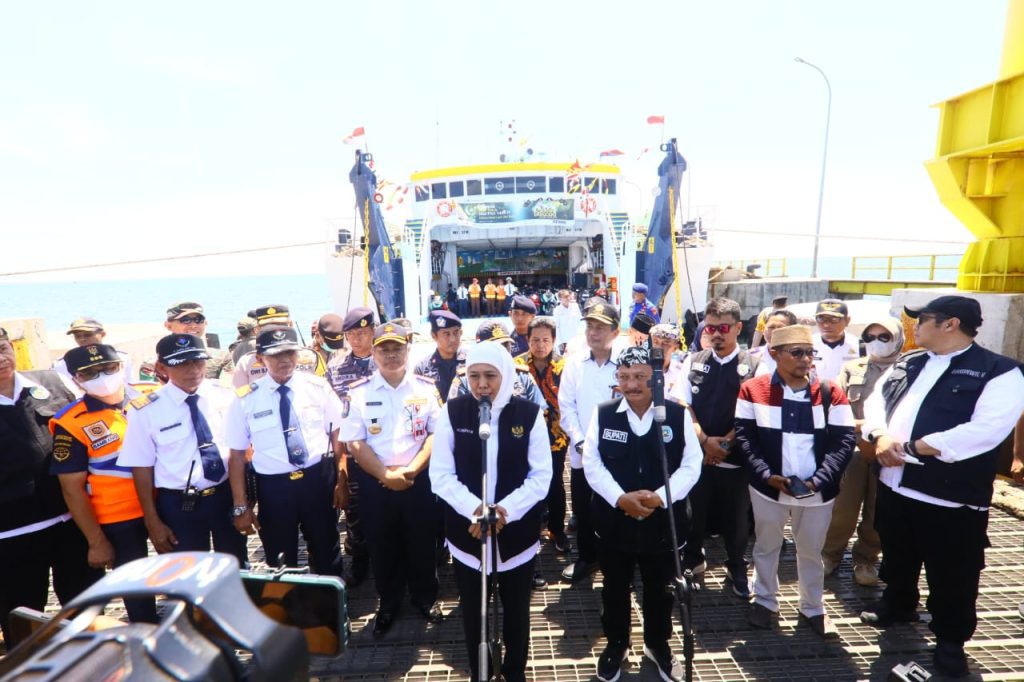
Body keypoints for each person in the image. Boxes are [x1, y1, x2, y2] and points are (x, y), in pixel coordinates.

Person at [859, 295, 1024, 678]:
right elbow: (876, 402)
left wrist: (913, 448)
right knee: (897, 553)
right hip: (895, 484)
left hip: (949, 497)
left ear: (950, 324)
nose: (915, 326)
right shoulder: (910, 361)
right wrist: (880, 435)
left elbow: (984, 431)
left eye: (923, 319)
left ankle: (950, 640)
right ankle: (898, 603)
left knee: (953, 572)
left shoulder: (1000, 372)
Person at [430, 342, 552, 682]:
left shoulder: (529, 414)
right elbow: (440, 474)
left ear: (506, 374)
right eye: (474, 376)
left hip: (516, 533)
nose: (482, 384)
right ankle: (479, 671)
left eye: (490, 376)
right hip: (468, 532)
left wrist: (504, 511)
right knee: (474, 612)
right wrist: (475, 509)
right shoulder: (453, 411)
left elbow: (541, 476)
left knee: (517, 611)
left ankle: (514, 672)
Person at [585, 346, 702, 682]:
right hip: (614, 522)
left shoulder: (676, 414)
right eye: (624, 377)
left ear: (656, 379)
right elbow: (592, 462)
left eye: (640, 377)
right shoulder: (603, 413)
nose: (631, 384)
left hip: (663, 523)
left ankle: (657, 644)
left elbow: (692, 465)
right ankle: (616, 644)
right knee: (614, 588)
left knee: (660, 589)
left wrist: (660, 498)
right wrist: (619, 498)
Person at [735, 324, 856, 639]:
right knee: (766, 545)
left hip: (818, 492)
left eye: (809, 352)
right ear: (774, 354)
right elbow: (746, 440)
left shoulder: (830, 392)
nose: (806, 359)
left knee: (811, 549)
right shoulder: (752, 389)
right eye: (797, 352)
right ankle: (765, 600)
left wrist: (818, 481)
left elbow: (844, 442)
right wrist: (766, 476)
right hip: (768, 489)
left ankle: (812, 607)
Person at [340, 322, 445, 637]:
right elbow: (355, 442)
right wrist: (386, 475)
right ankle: (388, 604)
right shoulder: (358, 392)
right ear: (373, 354)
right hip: (376, 482)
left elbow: (436, 435)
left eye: (397, 348)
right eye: (383, 349)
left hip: (418, 480)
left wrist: (411, 471)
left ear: (407, 350)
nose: (390, 355)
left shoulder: (425, 389)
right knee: (382, 545)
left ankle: (425, 598)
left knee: (422, 542)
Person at [0, 328, 103, 645]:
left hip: (71, 521)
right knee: (23, 624)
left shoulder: (51, 383)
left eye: (2, 348)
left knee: (88, 612)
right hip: (12, 533)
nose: (1, 359)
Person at [48, 344, 158, 623]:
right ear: (76, 379)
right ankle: (145, 636)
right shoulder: (70, 422)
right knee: (136, 590)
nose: (102, 376)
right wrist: (96, 541)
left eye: (108, 368)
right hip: (119, 518)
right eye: (90, 373)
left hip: (166, 503)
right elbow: (71, 488)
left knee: (183, 573)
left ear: (120, 367)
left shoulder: (152, 395)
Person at [117, 334, 247, 564]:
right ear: (162, 368)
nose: (193, 370)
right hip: (179, 504)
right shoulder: (145, 410)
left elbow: (238, 451)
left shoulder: (224, 396)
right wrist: (152, 521)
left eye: (198, 362)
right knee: (186, 572)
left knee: (235, 565)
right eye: (182, 364)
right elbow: (141, 468)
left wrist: (242, 503)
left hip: (224, 495)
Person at [225, 327, 344, 577]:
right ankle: (288, 603)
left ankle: (330, 601)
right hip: (273, 487)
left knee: (327, 550)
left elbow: (337, 435)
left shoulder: (317, 387)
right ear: (260, 358)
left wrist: (342, 481)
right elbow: (236, 455)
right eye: (275, 354)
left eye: (290, 352)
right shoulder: (245, 399)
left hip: (317, 480)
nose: (284, 360)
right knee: (279, 558)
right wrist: (241, 505)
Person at [669, 297, 759, 597]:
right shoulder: (693, 361)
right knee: (694, 513)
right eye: (710, 328)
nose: (716, 334)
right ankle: (694, 559)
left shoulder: (754, 365)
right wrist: (704, 441)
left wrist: (725, 443)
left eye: (723, 328)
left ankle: (736, 566)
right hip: (698, 454)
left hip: (735, 457)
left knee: (736, 518)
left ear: (738, 328)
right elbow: (683, 403)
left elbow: (754, 412)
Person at [821, 315, 904, 586]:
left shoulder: (909, 370)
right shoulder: (851, 368)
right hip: (854, 449)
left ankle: (866, 559)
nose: (876, 342)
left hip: (891, 451)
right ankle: (829, 554)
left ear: (898, 338)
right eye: (870, 337)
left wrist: (882, 439)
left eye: (884, 337)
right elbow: (837, 409)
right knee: (841, 509)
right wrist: (863, 434)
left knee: (878, 511)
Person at [558, 301, 621, 582]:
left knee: (616, 507)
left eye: (600, 328)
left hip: (618, 452)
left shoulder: (626, 363)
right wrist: (581, 440)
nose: (593, 333)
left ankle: (616, 561)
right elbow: (566, 407)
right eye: (590, 327)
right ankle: (587, 557)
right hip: (583, 452)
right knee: (583, 508)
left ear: (615, 332)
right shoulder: (574, 364)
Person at [326, 306, 377, 587]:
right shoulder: (335, 368)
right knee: (355, 512)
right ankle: (359, 560)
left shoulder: (386, 360)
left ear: (373, 331)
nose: (357, 338)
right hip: (351, 450)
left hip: (383, 449)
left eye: (362, 332)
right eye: (351, 333)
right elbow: (333, 416)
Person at [515, 316, 570, 553]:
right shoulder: (516, 365)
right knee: (526, 481)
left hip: (556, 436)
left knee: (555, 481)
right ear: (527, 340)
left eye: (545, 340)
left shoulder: (565, 367)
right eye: (535, 340)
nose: (540, 345)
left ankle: (557, 530)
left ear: (554, 340)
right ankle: (530, 530)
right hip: (523, 437)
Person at [448, 321, 547, 410]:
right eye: (496, 348)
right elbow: (454, 414)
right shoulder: (464, 380)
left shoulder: (523, 377)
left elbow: (538, 413)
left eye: (506, 346)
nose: (503, 351)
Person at [55, 317, 136, 384]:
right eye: (78, 336)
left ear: (102, 334)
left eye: (88, 335)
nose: (82, 339)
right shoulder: (63, 364)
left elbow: (130, 385)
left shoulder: (121, 357)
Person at [165, 302, 233, 380]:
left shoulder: (222, 358)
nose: (194, 325)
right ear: (168, 326)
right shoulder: (160, 360)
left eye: (198, 320)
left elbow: (230, 385)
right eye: (185, 320)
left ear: (205, 323)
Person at [415, 310, 466, 402]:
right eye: (446, 334)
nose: (452, 339)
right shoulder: (423, 368)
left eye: (456, 333)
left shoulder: (472, 361)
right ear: (434, 336)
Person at [812, 299, 861, 382]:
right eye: (821, 318)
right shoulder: (808, 344)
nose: (826, 325)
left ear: (847, 321)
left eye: (834, 319)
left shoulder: (859, 347)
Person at [752, 309, 798, 377]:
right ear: (764, 330)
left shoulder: (801, 357)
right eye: (771, 327)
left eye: (780, 328)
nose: (774, 331)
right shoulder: (751, 356)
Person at [649, 323, 687, 399]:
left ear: (675, 347)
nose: (659, 347)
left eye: (666, 343)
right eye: (656, 342)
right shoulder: (642, 367)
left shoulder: (681, 371)